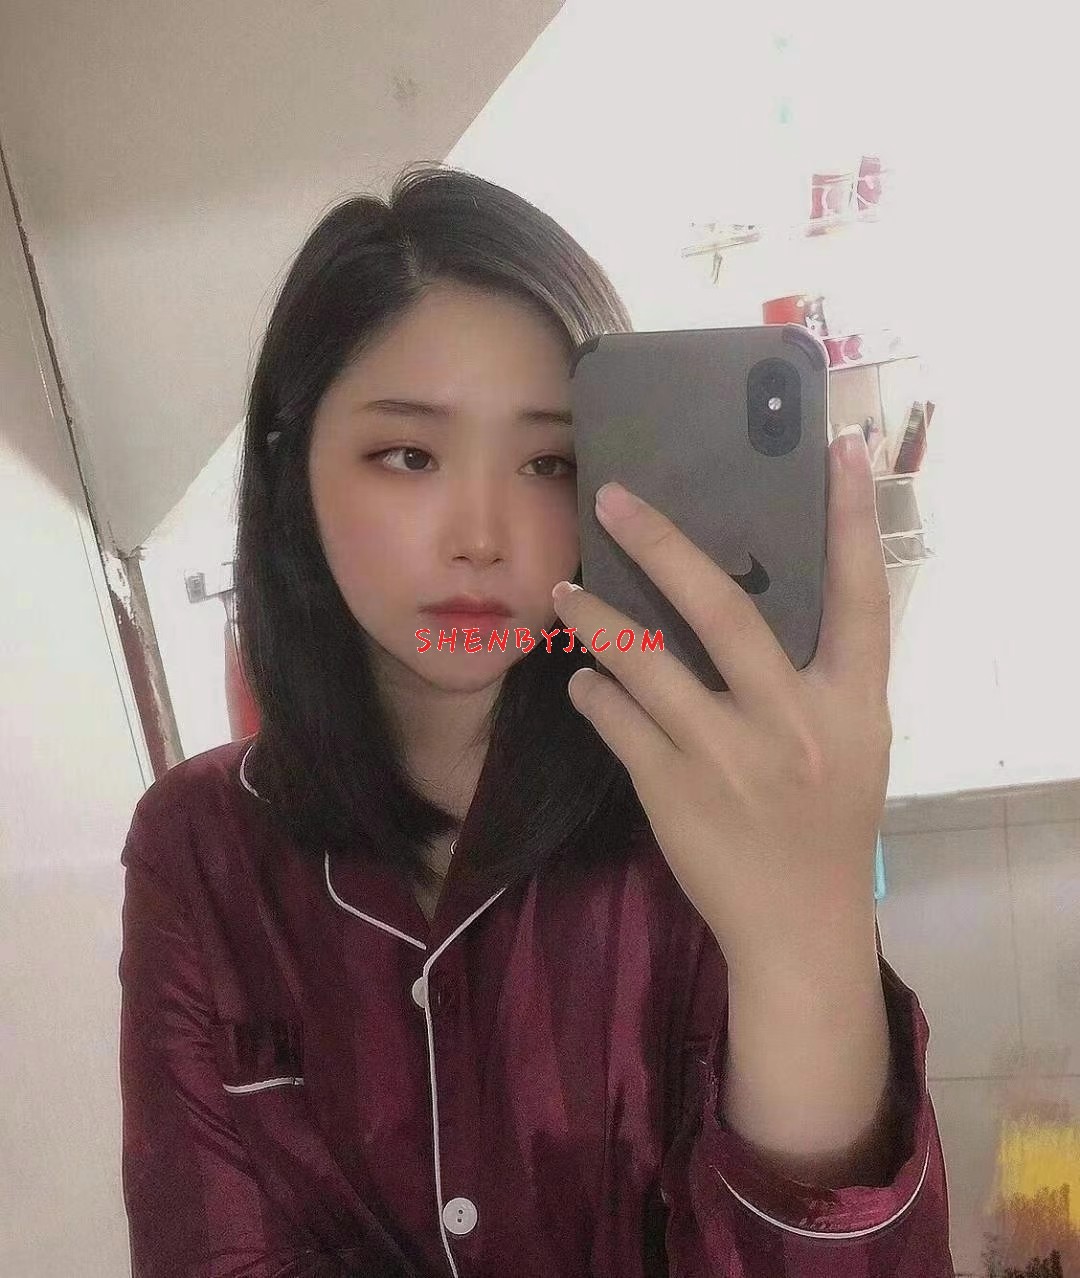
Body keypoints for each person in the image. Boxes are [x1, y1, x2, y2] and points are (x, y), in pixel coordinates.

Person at [117, 163, 955, 1277]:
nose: (481, 536)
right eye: (409, 455)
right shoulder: (200, 847)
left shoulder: (699, 803)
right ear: (291, 468)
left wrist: (810, 933)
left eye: (549, 461)